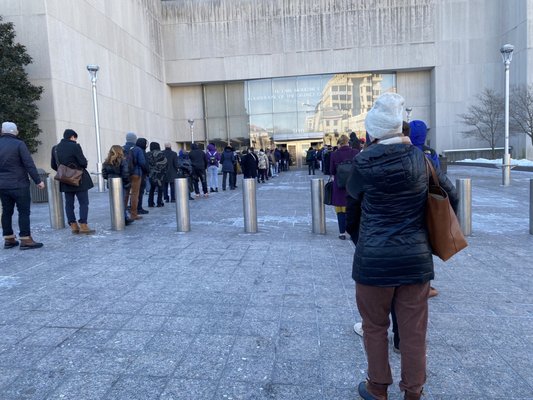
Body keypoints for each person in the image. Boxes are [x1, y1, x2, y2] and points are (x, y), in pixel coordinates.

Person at [345, 93, 459, 400]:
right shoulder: (422, 160)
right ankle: (413, 392)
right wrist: (424, 238)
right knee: (413, 332)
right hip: (414, 262)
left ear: (372, 131)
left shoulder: (361, 164)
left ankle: (377, 388)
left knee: (374, 327)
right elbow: (450, 197)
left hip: (373, 261)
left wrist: (365, 243)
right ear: (399, 128)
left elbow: (351, 216)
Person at [0, 122, 45, 249]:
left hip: (2, 186)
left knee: (6, 211)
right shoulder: (19, 144)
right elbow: (28, 163)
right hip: (19, 184)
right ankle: (26, 239)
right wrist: (38, 180)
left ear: (2, 131)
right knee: (23, 211)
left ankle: (8, 238)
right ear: (15, 131)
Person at [51, 129, 95, 234]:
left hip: (65, 179)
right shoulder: (75, 146)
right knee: (83, 202)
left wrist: (65, 171)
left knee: (69, 203)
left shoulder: (55, 148)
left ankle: (73, 225)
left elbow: (53, 165)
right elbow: (83, 162)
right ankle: (83, 225)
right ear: (72, 137)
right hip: (78, 178)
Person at [329, 135, 359, 240]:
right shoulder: (355, 152)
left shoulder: (334, 154)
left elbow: (332, 171)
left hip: (339, 185)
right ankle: (351, 232)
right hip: (353, 185)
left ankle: (342, 233)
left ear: (339, 143)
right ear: (348, 142)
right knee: (352, 210)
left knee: (340, 211)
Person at [102, 145, 134, 225]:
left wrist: (110, 178)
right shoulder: (122, 161)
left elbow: (104, 174)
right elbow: (125, 173)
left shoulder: (106, 162)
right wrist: (126, 182)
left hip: (111, 184)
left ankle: (118, 218)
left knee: (114, 202)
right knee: (121, 201)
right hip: (120, 184)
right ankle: (124, 218)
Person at [123, 132, 148, 220]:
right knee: (135, 194)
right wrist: (146, 171)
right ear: (134, 139)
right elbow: (142, 162)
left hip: (125, 174)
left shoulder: (122, 148)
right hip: (136, 174)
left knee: (125, 194)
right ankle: (134, 214)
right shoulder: (137, 149)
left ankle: (123, 213)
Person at [146, 142, 168, 207]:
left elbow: (146, 164)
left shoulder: (148, 154)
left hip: (151, 174)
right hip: (160, 174)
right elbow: (165, 163)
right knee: (160, 189)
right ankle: (159, 202)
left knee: (152, 188)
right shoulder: (161, 153)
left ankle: (150, 203)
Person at [135, 138, 150, 214]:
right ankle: (138, 208)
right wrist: (148, 171)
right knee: (140, 192)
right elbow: (143, 163)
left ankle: (134, 208)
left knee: (135, 192)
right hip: (140, 174)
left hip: (133, 174)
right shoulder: (141, 151)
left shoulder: (133, 149)